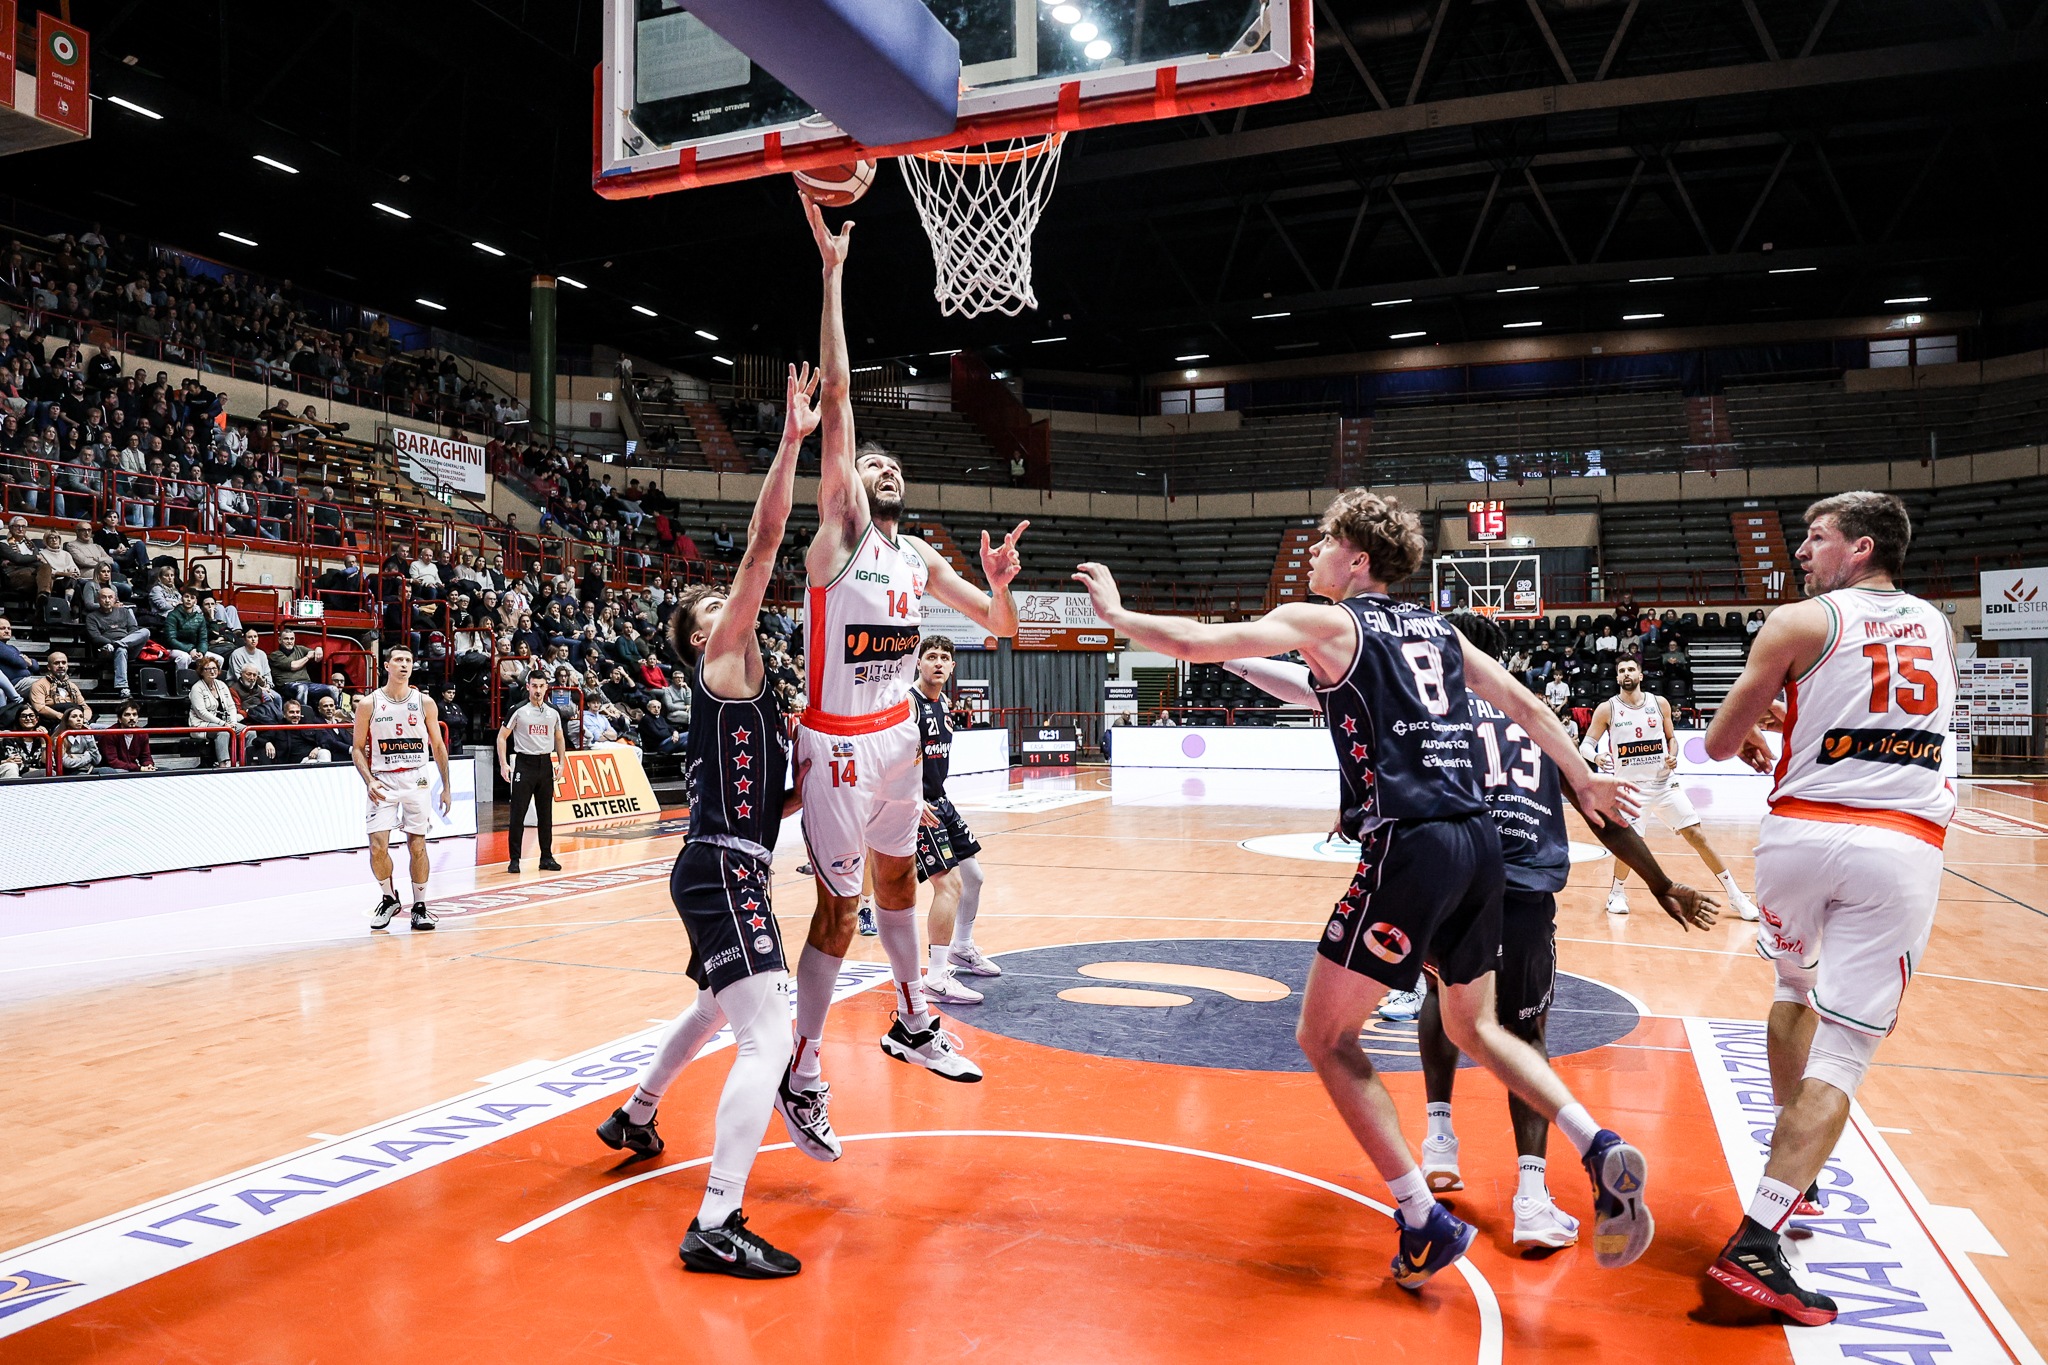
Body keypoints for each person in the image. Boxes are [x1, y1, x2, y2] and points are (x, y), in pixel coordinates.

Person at [1072, 488, 1654, 1289]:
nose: (1311, 555)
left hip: (1410, 844)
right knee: (1474, 1026)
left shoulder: (1329, 620)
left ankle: (1421, 1217)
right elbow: (1520, 703)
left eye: (1321, 542)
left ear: (1356, 557)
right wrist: (1582, 777)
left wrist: (1119, 612)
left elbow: (1205, 638)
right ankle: (1596, 1142)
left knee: (1324, 1037)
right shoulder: (1439, 631)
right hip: (1479, 844)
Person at [778, 199, 1029, 1150]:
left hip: (897, 746)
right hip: (836, 745)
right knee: (836, 909)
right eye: (869, 462)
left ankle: (912, 1016)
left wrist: (1000, 585)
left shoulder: (918, 557)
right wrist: (836, 275)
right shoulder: (840, 536)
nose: (880, 466)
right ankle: (804, 1071)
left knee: (895, 883)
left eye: (889, 462)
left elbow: (997, 628)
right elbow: (840, 405)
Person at [1702, 493, 1954, 1327]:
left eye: (1816, 539)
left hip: (1797, 838)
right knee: (1842, 1054)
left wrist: (1762, 727)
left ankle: (1795, 1174)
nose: (1803, 552)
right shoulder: (1940, 624)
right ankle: (1761, 1231)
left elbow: (1716, 742)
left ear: (1862, 546)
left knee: (1790, 990)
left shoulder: (1798, 622)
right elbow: (1890, 708)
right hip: (1897, 843)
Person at [594, 363, 817, 1279]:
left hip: (727, 861)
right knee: (768, 1032)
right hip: (721, 868)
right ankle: (717, 1220)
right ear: (701, 634)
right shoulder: (726, 657)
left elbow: (780, 807)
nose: (733, 607)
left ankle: (636, 1112)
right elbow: (765, 540)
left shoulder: (756, 695)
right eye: (714, 607)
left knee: (714, 1005)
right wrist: (793, 443)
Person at [1583, 655, 1760, 921]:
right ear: (1617, 678)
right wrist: (1596, 756)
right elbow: (1586, 744)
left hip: (1664, 784)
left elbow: (1671, 739)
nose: (1627, 674)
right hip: (1630, 789)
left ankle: (1736, 896)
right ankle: (1617, 893)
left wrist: (1673, 755)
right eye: (1622, 671)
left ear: (1641, 675)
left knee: (1697, 835)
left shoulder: (1659, 703)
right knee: (1631, 844)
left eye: (1631, 669)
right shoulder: (1607, 709)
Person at [908, 635, 1000, 1005]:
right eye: (931, 656)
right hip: (915, 806)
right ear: (918, 663)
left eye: (945, 657)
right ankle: (935, 977)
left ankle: (962, 948)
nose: (939, 663)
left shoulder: (943, 702)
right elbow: (888, 758)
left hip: (941, 800)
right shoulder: (907, 704)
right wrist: (911, 800)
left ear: (953, 666)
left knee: (974, 877)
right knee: (949, 886)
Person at [351, 644, 452, 932]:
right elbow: (357, 749)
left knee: (416, 844)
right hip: (383, 779)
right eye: (398, 660)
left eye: (408, 660)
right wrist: (369, 779)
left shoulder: (424, 702)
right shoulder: (369, 703)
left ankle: (420, 906)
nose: (404, 664)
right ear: (387, 666)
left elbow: (439, 746)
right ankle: (388, 897)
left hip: (416, 778)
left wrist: (445, 786)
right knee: (377, 845)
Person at [497, 672, 566, 875]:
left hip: (545, 764)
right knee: (518, 813)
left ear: (547, 687)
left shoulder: (553, 712)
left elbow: (559, 738)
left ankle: (546, 857)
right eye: (534, 686)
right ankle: (515, 859)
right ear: (528, 687)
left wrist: (562, 763)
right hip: (524, 764)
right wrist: (503, 764)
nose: (537, 690)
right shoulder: (517, 710)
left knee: (546, 815)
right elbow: (502, 738)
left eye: (541, 686)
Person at [84, 586, 150, 698]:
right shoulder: (91, 617)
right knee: (120, 650)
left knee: (145, 631)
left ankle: (119, 644)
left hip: (130, 647)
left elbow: (134, 629)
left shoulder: (125, 611)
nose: (107, 600)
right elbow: (95, 637)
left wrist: (122, 642)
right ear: (98, 599)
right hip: (107, 649)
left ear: (115, 599)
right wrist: (110, 643)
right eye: (104, 597)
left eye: (110, 597)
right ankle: (123, 687)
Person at [186, 655, 241, 766]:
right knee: (224, 732)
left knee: (249, 731)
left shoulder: (222, 685)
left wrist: (234, 723)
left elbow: (231, 706)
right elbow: (202, 713)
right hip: (202, 724)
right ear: (202, 672)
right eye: (208, 669)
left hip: (226, 722)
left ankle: (245, 762)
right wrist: (223, 724)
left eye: (214, 668)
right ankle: (224, 764)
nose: (212, 671)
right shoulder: (197, 688)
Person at [27, 650, 91, 729]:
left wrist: (84, 720)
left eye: (63, 663)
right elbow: (40, 708)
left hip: (77, 722)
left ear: (67, 666)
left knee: (105, 731)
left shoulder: (72, 686)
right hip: (54, 724)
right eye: (56, 663)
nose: (61, 666)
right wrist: (64, 718)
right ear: (49, 667)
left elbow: (85, 707)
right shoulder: (39, 685)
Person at [98, 701, 157, 773]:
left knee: (164, 771)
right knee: (122, 771)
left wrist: (148, 765)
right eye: (127, 715)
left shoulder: (142, 733)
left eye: (134, 715)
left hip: (133, 768)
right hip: (113, 770)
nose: (132, 718)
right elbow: (113, 762)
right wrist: (139, 768)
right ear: (119, 719)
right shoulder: (110, 734)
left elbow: (145, 756)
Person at [1, 701, 45, 778]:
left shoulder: (43, 737)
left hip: (39, 772)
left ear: (37, 719)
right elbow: (16, 763)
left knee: (49, 773)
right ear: (18, 719)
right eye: (24, 716)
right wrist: (34, 770)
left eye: (31, 716)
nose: (28, 719)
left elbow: (47, 763)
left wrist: (44, 741)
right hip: (19, 773)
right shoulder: (10, 738)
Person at [54, 704, 100, 774]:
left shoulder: (86, 736)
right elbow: (67, 763)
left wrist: (89, 737)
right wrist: (88, 757)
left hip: (89, 769)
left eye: (81, 717)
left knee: (109, 771)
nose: (79, 719)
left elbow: (97, 759)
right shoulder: (60, 738)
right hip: (69, 773)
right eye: (74, 716)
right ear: (67, 721)